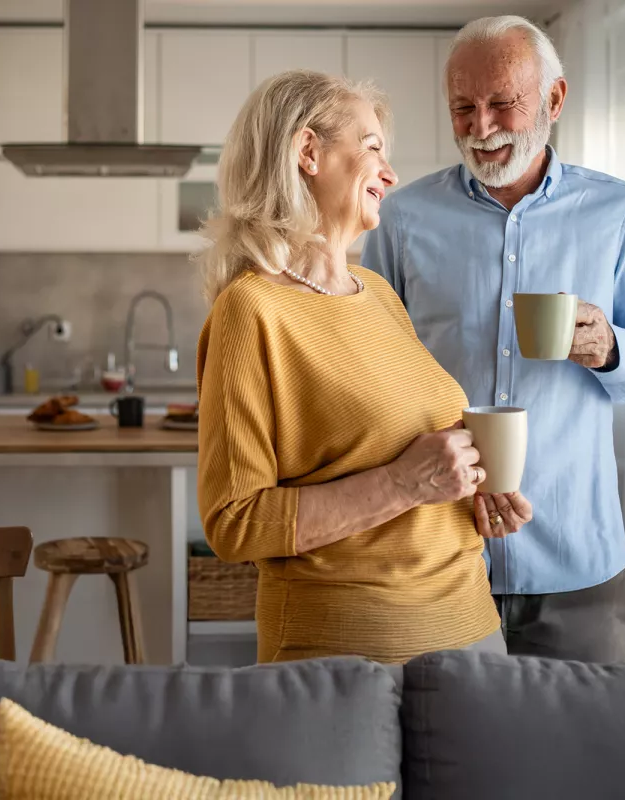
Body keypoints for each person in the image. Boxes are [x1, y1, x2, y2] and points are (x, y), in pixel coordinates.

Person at [362, 16, 625, 663]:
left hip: (578, 569)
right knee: (445, 762)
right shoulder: (402, 216)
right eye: (464, 107)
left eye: (502, 104)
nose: (482, 128)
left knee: (591, 762)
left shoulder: (618, 211)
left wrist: (611, 348)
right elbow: (369, 373)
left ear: (554, 100)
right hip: (438, 559)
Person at [194, 69, 533, 665]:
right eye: (372, 147)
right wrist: (404, 483)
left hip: (472, 632)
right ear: (307, 152)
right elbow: (235, 523)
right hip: (348, 654)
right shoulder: (252, 310)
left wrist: (465, 493)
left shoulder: (376, 292)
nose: (391, 173)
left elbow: (401, 451)